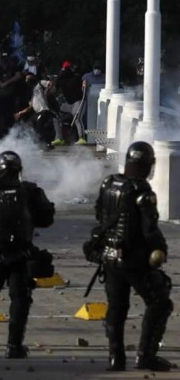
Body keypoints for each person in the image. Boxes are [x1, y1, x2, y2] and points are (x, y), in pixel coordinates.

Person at [83, 141, 173, 372]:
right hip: (134, 259)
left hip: (109, 255)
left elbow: (99, 215)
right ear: (147, 165)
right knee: (159, 302)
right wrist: (160, 249)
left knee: (116, 307)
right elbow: (149, 230)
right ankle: (146, 355)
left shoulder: (108, 183)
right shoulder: (142, 192)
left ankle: (116, 357)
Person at [0, 151, 55, 359]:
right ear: (19, 170)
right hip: (21, 255)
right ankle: (14, 347)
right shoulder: (31, 192)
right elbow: (46, 221)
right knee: (20, 299)